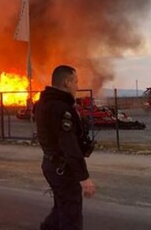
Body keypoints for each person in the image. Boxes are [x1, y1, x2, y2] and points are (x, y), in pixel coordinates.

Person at [35, 65, 96, 230]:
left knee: (61, 208)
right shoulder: (61, 108)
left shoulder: (44, 102)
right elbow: (68, 145)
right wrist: (84, 178)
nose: (77, 86)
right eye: (75, 81)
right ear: (67, 82)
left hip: (50, 163)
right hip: (62, 168)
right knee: (71, 215)